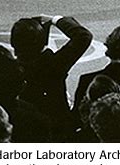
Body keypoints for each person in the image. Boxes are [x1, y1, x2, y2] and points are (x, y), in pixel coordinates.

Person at [10, 13, 92, 141]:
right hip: (58, 128)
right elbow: (83, 36)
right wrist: (56, 20)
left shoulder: (10, 68)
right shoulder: (54, 64)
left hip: (25, 128)